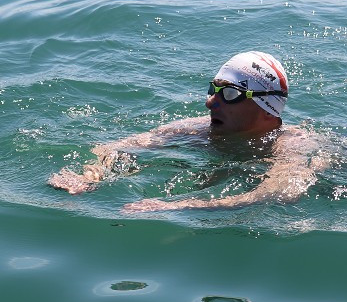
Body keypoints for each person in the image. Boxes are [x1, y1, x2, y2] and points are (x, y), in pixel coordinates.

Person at [48, 51, 330, 212]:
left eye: (228, 93)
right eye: (213, 89)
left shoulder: (292, 149)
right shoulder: (196, 129)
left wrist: (177, 205)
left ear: (266, 108)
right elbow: (116, 147)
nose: (210, 102)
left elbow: (277, 194)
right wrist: (90, 174)